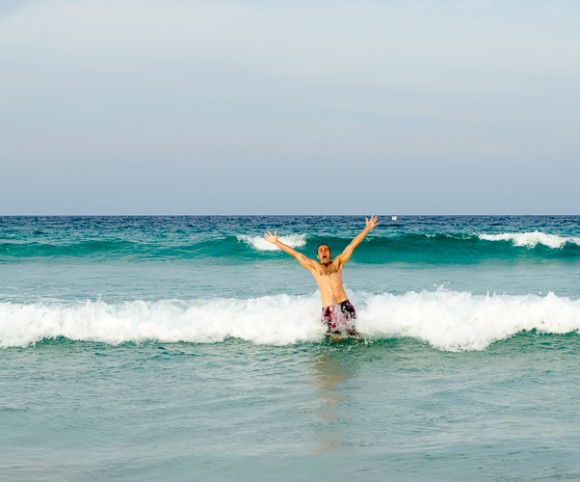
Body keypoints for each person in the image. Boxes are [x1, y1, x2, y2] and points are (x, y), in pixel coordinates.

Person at [264, 216, 378, 337]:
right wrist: (276, 242)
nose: (323, 251)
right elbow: (296, 254)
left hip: (344, 305)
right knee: (335, 339)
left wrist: (367, 229)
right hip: (328, 309)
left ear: (330, 253)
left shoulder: (338, 263)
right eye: (321, 250)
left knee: (354, 335)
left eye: (326, 250)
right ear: (318, 255)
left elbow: (352, 245)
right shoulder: (314, 267)